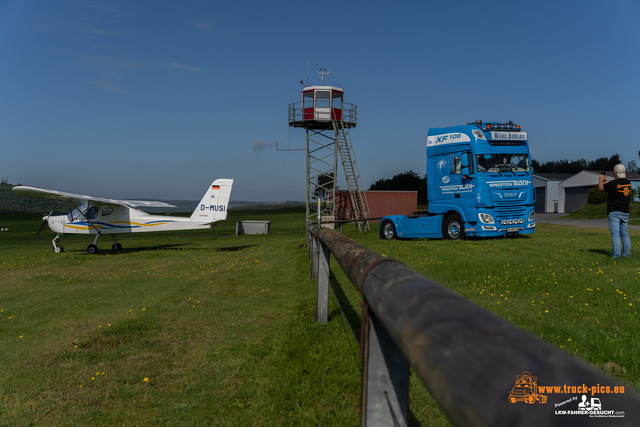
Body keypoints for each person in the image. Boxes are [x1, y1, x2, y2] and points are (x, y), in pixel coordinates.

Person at [599, 164, 631, 258]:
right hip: (625, 212)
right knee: (624, 234)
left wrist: (601, 180)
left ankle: (616, 255)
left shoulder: (613, 184)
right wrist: (608, 182)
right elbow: (616, 187)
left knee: (615, 234)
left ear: (615, 172)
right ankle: (626, 254)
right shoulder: (628, 183)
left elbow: (601, 189)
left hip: (614, 212)